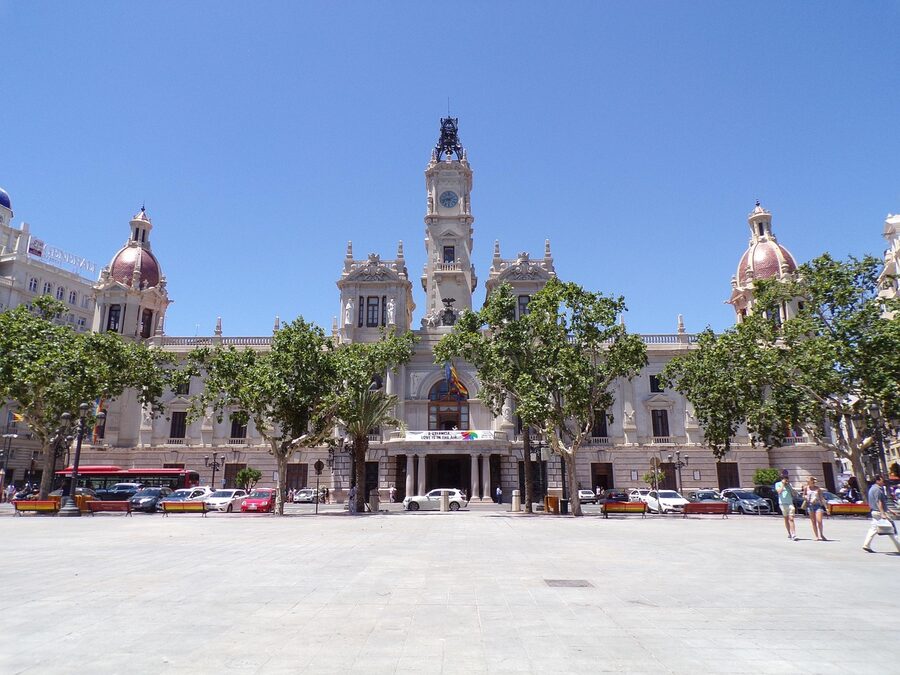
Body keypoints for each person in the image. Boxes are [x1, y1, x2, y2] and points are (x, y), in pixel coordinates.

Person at [862, 475, 900, 553]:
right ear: (877, 481)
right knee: (891, 529)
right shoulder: (877, 490)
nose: (883, 482)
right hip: (879, 512)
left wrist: (890, 510)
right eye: (882, 481)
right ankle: (899, 547)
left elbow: (882, 503)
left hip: (874, 511)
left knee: (873, 529)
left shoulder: (872, 489)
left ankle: (866, 545)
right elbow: (879, 502)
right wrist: (883, 513)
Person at [803, 476, 828, 541]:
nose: (808, 482)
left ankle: (821, 534)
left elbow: (822, 498)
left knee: (819, 521)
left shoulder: (818, 489)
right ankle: (816, 536)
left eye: (809, 481)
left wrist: (826, 508)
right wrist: (805, 497)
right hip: (810, 505)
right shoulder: (806, 488)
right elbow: (803, 495)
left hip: (817, 505)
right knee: (813, 521)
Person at [775, 470, 798, 540]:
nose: (786, 479)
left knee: (791, 518)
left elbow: (794, 494)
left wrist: (791, 488)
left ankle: (793, 533)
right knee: (786, 518)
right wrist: (783, 484)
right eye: (785, 478)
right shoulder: (778, 484)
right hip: (782, 503)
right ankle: (789, 533)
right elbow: (779, 492)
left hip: (790, 503)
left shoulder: (789, 485)